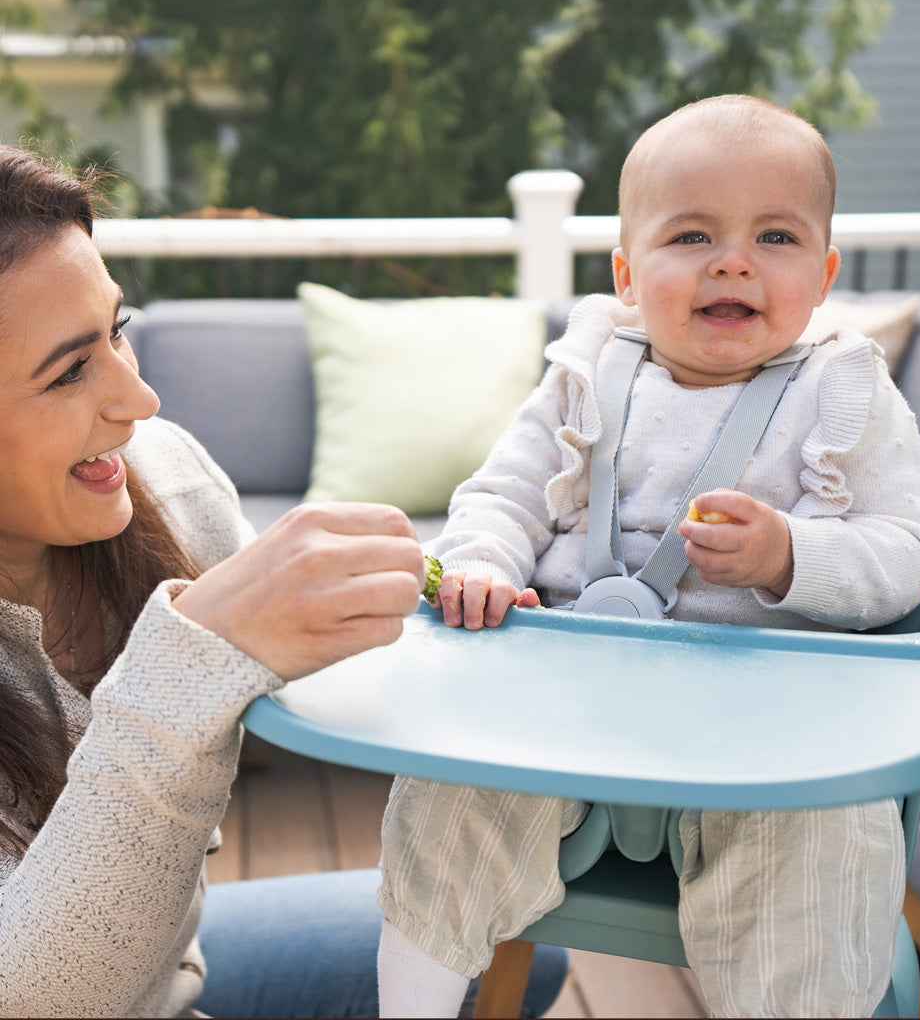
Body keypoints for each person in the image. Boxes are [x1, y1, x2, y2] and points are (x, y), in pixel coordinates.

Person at [376, 94, 920, 1018]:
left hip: (768, 729)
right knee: (446, 784)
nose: (733, 260)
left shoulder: (843, 393)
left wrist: (787, 555)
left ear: (826, 272)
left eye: (775, 237)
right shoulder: (585, 373)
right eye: (691, 237)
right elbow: (504, 495)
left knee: (830, 841)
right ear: (628, 274)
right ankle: (415, 1003)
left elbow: (911, 552)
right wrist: (482, 560)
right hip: (563, 706)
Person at [0, 144, 567, 1019]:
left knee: (536, 949)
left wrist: (455, 605)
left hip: (172, 971)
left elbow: (320, 647)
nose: (140, 400)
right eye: (70, 370)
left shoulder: (164, 480)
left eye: (117, 330)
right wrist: (188, 663)